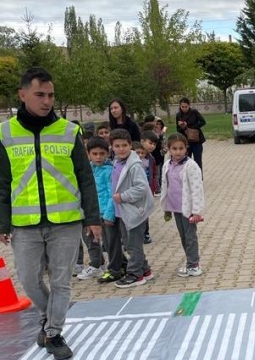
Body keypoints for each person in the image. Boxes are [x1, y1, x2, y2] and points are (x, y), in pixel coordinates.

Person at [0, 67, 102, 360]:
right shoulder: (5, 133)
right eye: (39, 94)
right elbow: (2, 182)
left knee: (61, 281)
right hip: (25, 223)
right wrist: (2, 222)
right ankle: (49, 319)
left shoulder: (69, 131)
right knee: (30, 280)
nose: (47, 101)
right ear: (22, 95)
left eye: (51, 95)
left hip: (66, 222)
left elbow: (85, 178)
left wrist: (92, 218)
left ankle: (54, 333)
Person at [109, 129, 155, 288]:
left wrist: (123, 196)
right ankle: (145, 269)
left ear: (130, 145)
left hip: (135, 210)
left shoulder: (134, 165)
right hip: (122, 211)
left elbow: (142, 188)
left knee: (133, 245)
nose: (121, 149)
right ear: (112, 147)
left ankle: (135, 274)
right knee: (129, 243)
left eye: (124, 145)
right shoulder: (116, 162)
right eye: (117, 145)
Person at [160, 133, 205, 277]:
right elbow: (165, 186)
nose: (178, 152)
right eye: (174, 148)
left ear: (186, 148)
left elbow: (197, 189)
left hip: (188, 209)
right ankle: (190, 261)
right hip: (175, 207)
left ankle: (193, 264)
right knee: (183, 236)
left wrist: (196, 211)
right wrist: (166, 207)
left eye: (181, 148)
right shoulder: (167, 165)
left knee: (190, 236)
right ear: (168, 149)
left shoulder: (191, 166)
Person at [77, 137, 114, 280]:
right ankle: (98, 263)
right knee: (89, 237)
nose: (98, 157)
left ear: (107, 153)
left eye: (102, 153)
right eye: (95, 154)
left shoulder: (109, 171)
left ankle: (101, 264)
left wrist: (109, 214)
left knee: (107, 241)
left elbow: (112, 193)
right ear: (88, 154)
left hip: (104, 212)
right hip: (90, 211)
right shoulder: (87, 170)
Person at [133, 140, 156, 244]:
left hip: (145, 192)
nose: (140, 155)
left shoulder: (148, 162)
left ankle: (145, 233)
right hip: (133, 194)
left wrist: (154, 187)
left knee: (144, 214)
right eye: (137, 153)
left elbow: (153, 175)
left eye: (142, 153)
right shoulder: (129, 165)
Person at [176, 97, 206, 171]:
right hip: (186, 142)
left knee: (197, 161)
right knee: (186, 162)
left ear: (189, 105)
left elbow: (203, 122)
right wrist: (182, 126)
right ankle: (187, 179)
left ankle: (199, 180)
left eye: (186, 106)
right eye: (182, 106)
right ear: (180, 106)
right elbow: (178, 130)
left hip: (196, 141)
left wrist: (190, 126)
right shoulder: (178, 115)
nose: (184, 108)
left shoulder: (194, 112)